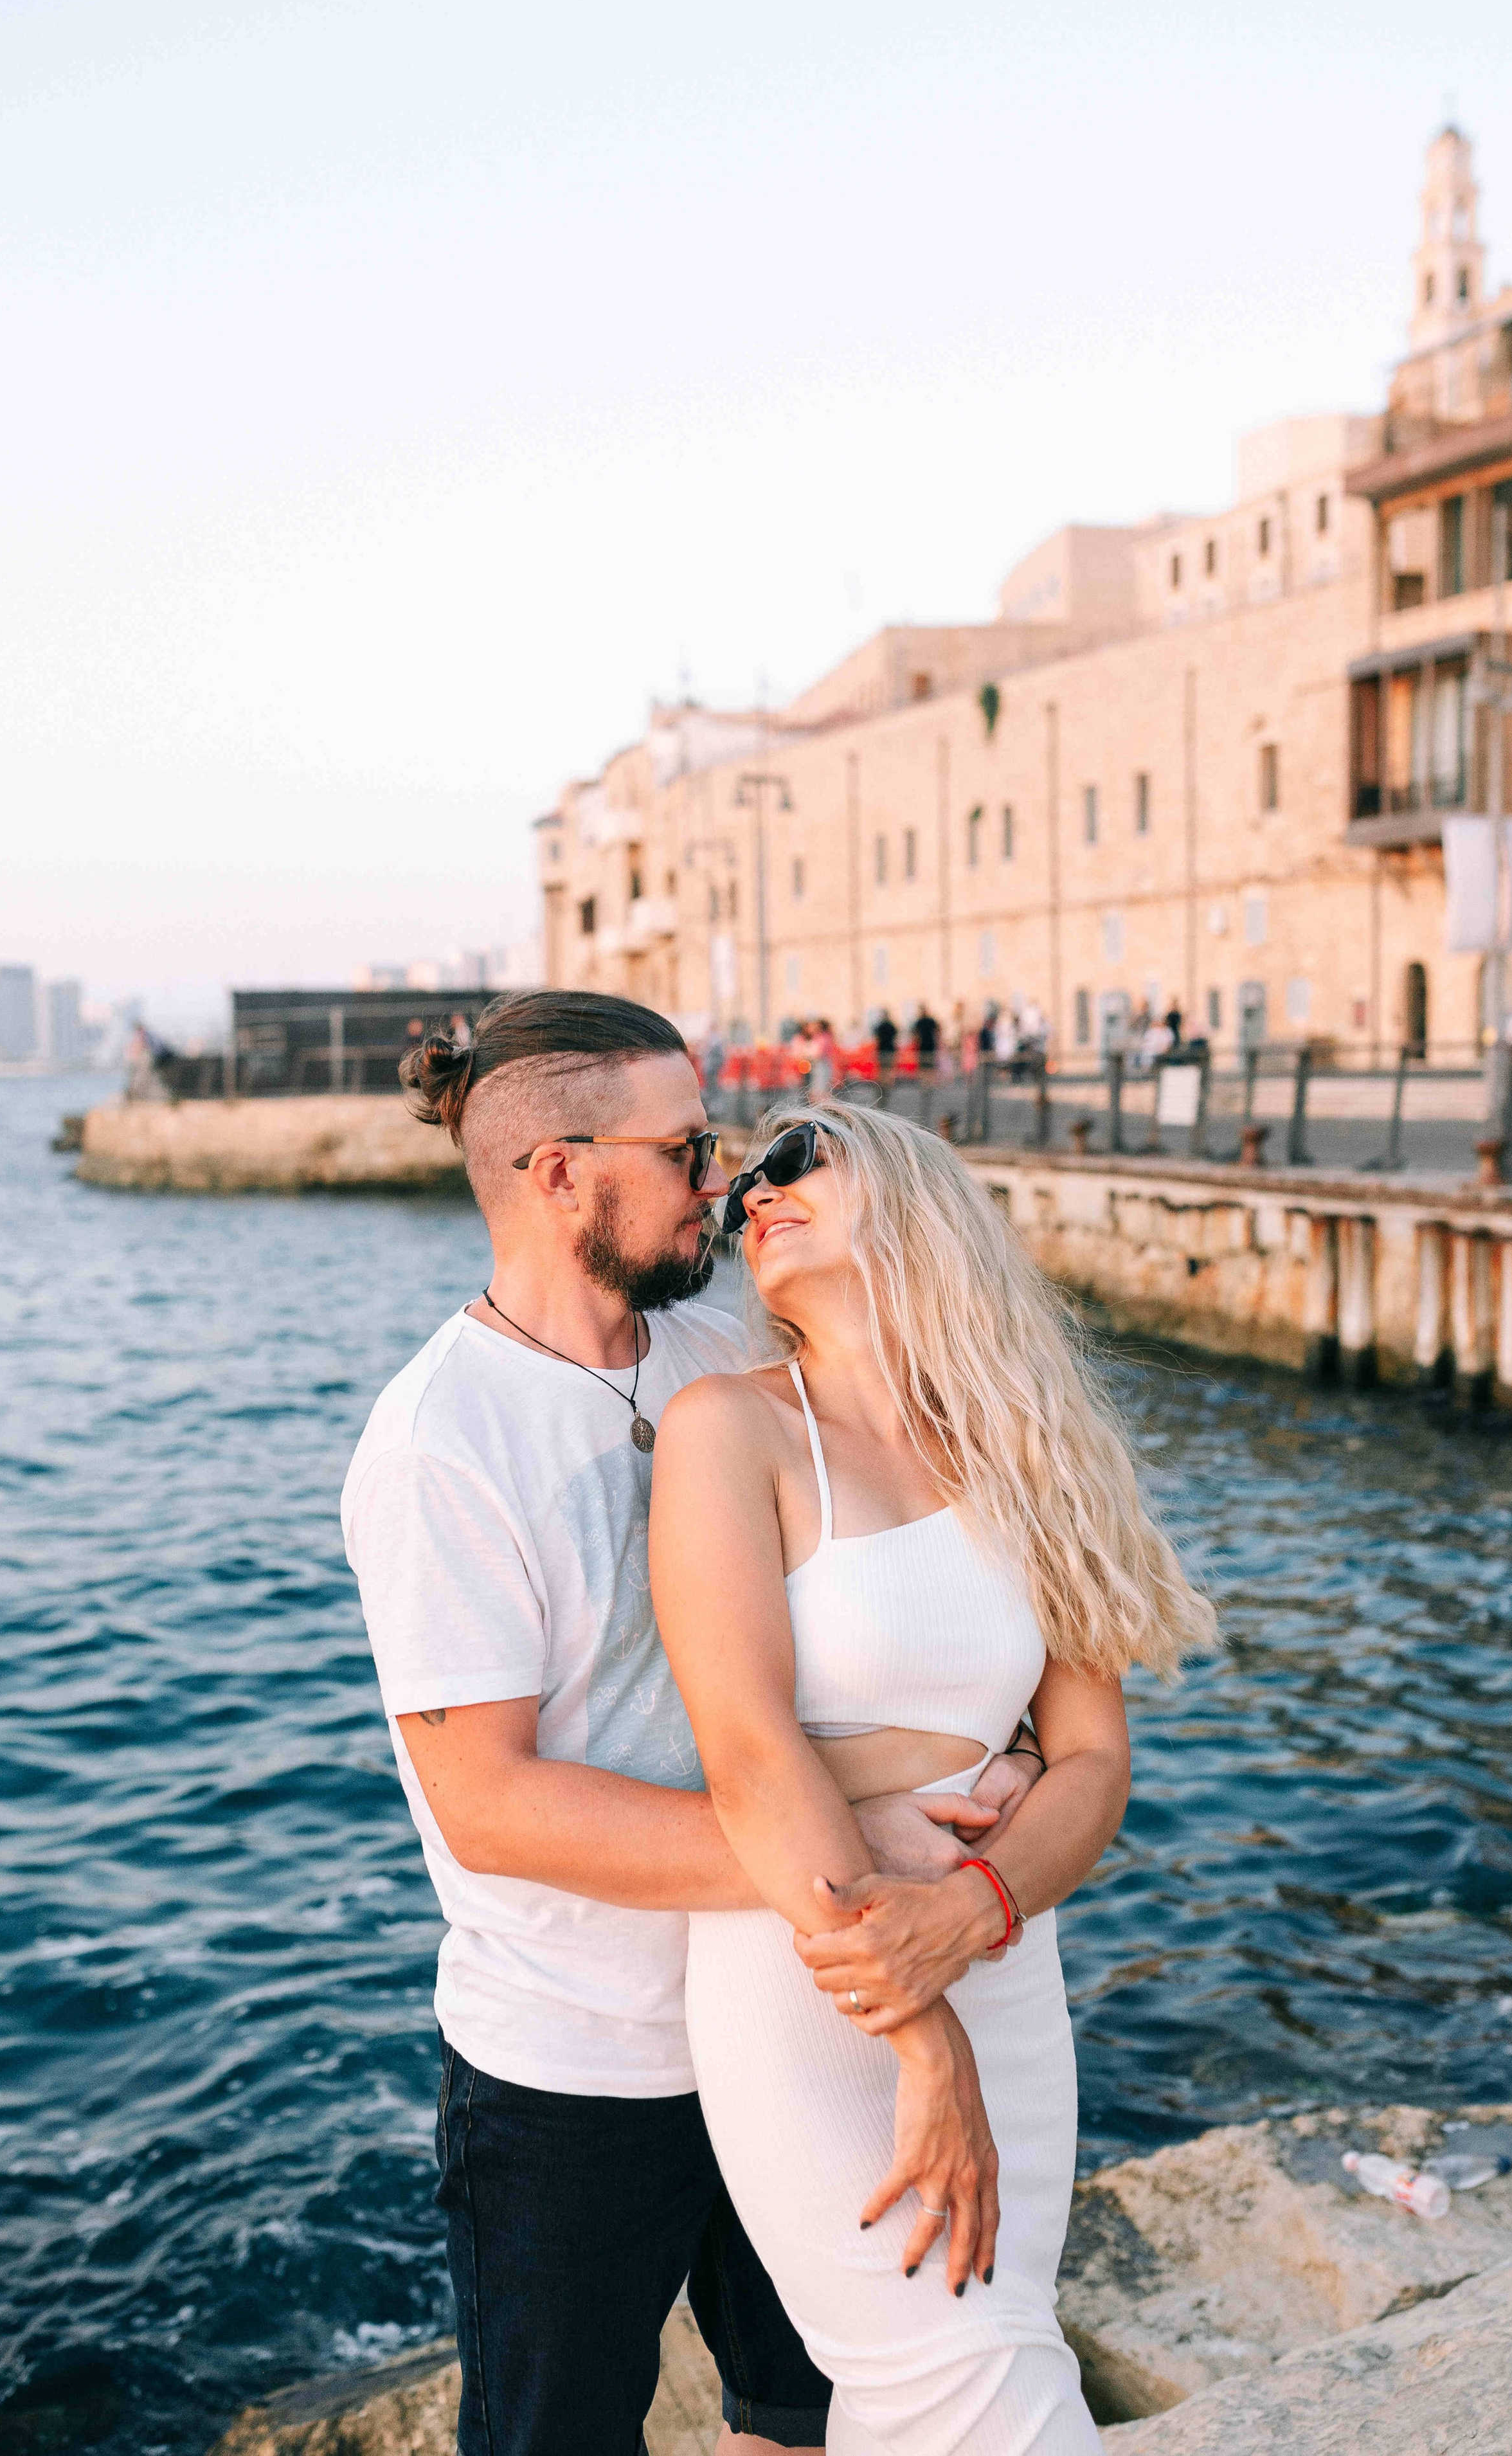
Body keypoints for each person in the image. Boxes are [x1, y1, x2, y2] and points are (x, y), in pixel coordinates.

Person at [341, 993, 1038, 2456]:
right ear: (558, 1172)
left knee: (803, 2414)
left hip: (793, 1996)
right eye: (684, 1146)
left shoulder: (716, 1328)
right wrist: (849, 1843)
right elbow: (491, 1803)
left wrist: (996, 1725)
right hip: (580, 2061)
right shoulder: (437, 1443)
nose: (721, 1177)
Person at [650, 1103, 1218, 2453]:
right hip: (814, 1977)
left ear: (911, 1198)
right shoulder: (726, 1429)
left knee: (949, 2384)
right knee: (982, 2396)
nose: (754, 1189)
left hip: (1007, 1968)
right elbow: (744, 1744)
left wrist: (967, 1916)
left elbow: (1089, 1762)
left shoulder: (1023, 1447)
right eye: (744, 1182)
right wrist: (921, 2028)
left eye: (796, 1157)